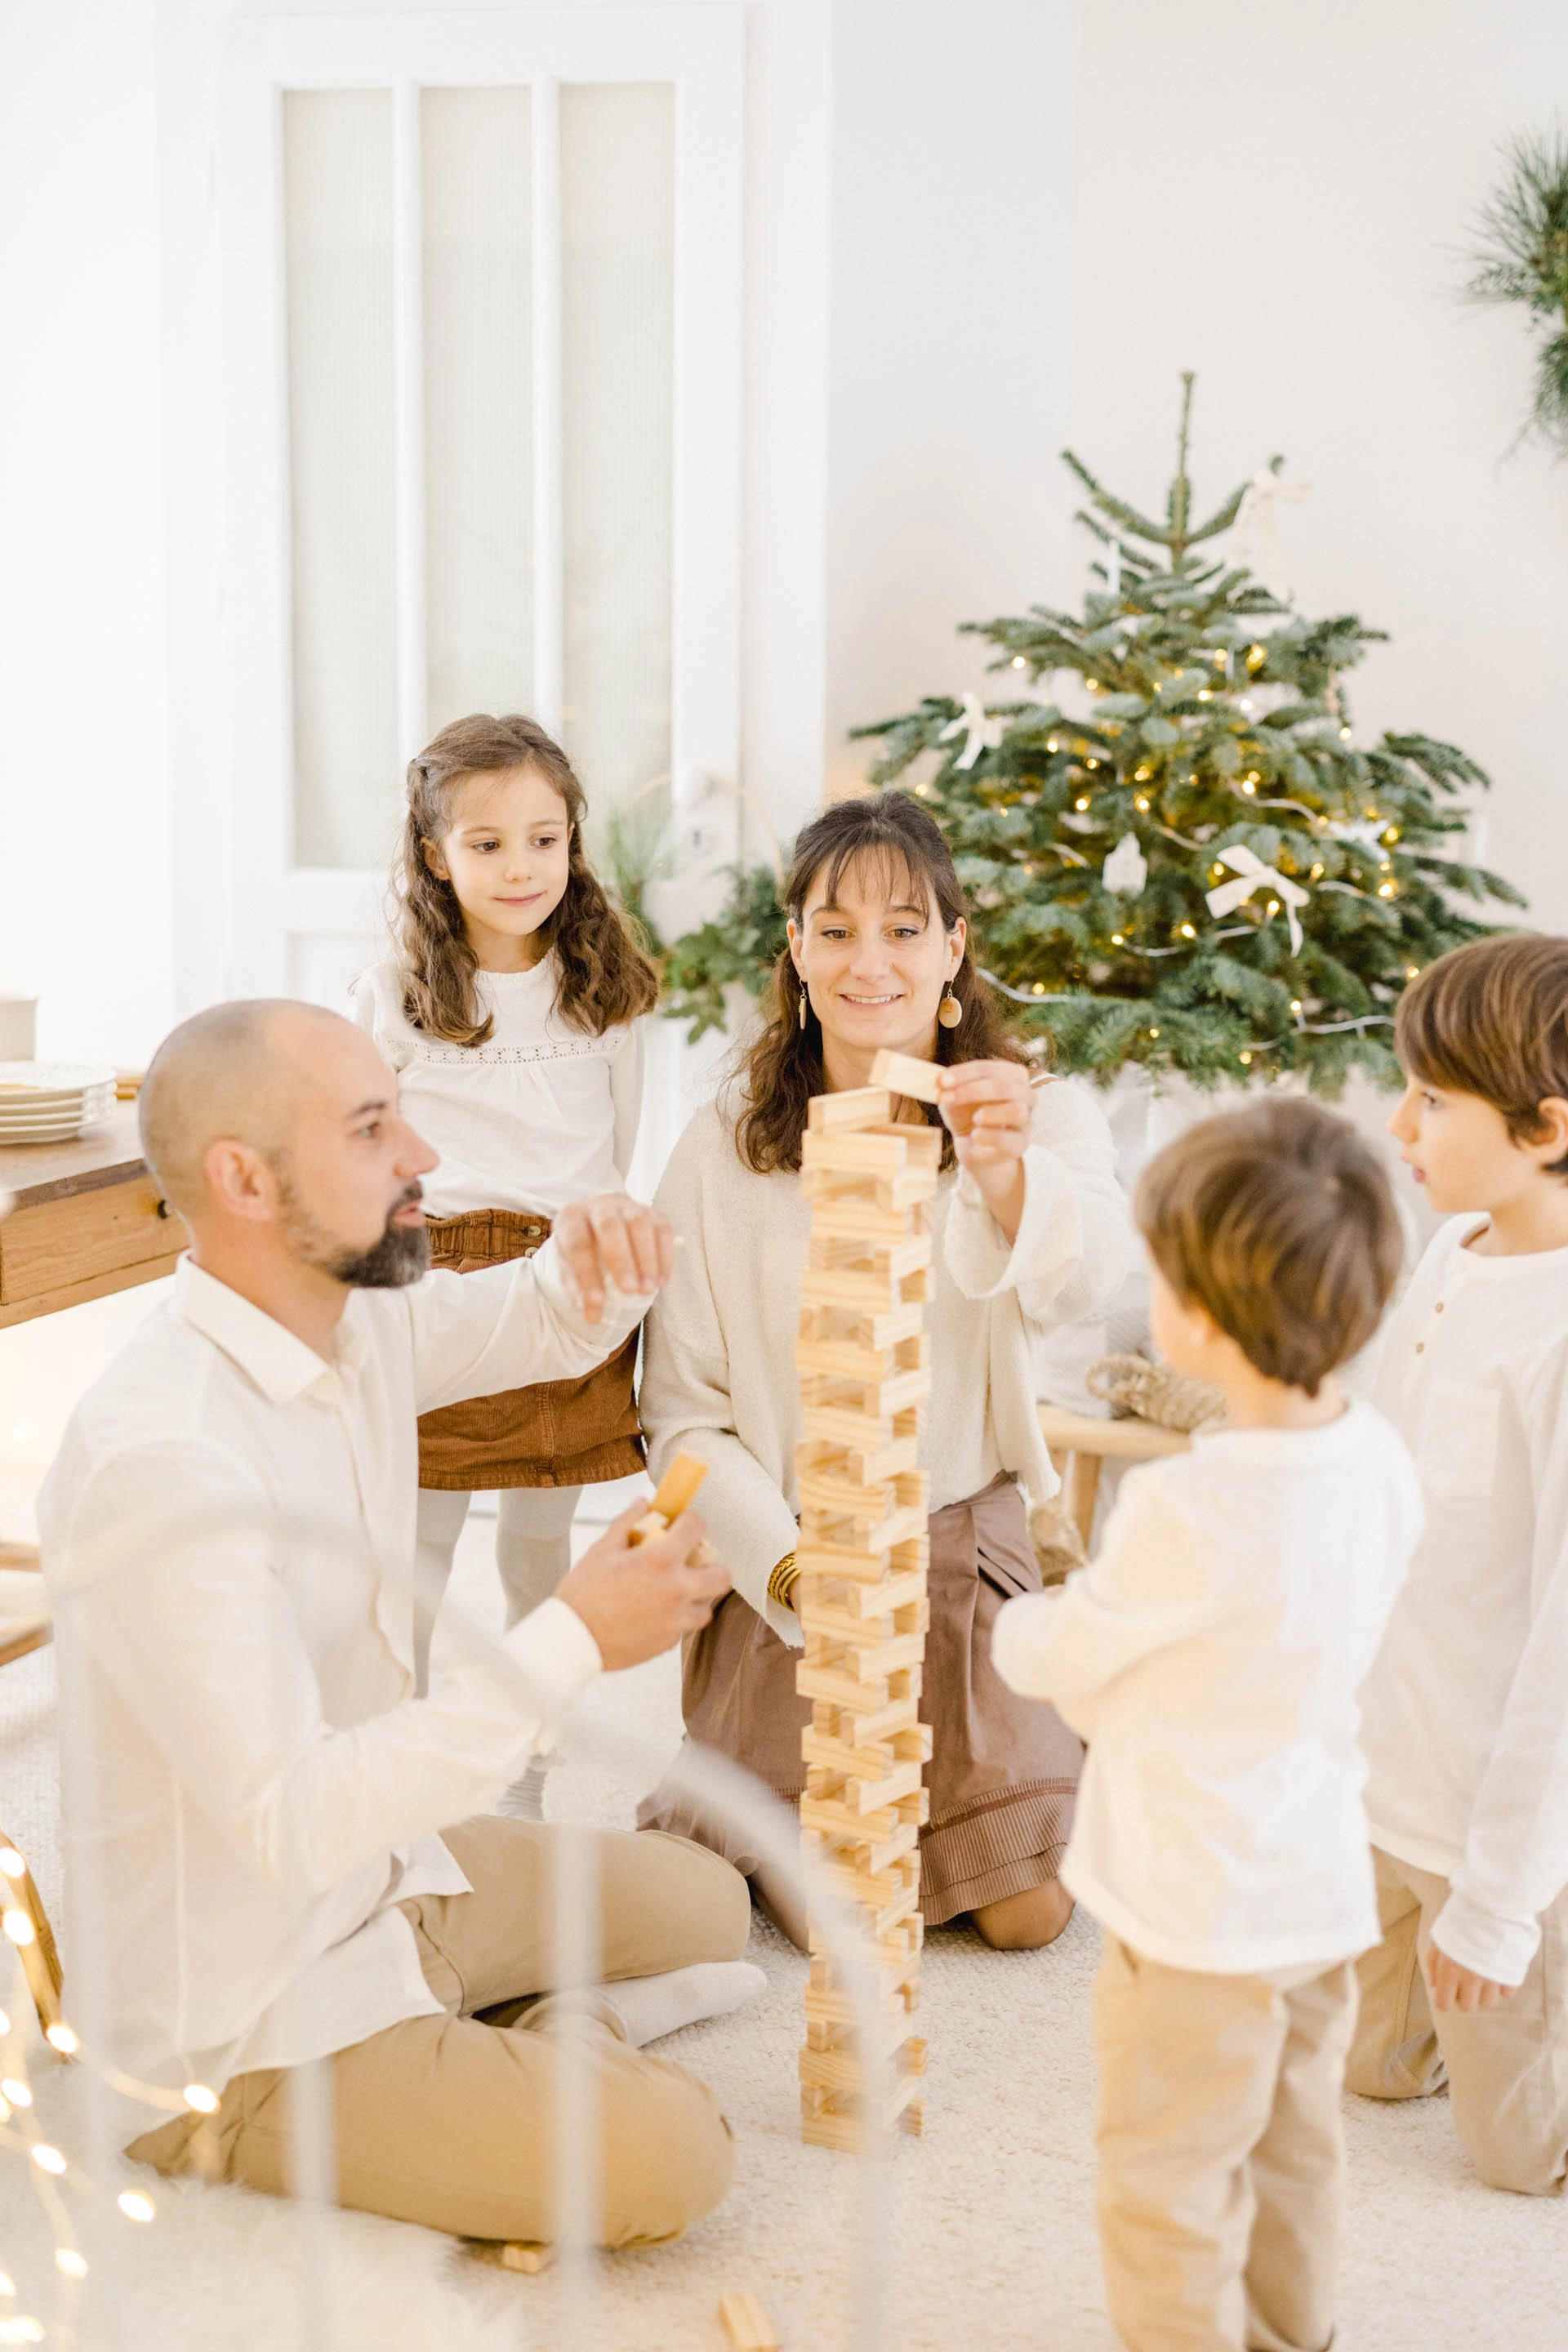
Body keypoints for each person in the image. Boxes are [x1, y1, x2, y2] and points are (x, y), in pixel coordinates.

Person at [38, 1000, 762, 2252]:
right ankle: (557, 2042)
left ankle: (531, 2032)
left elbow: (521, 1320)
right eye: (375, 1128)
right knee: (674, 2158)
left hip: (390, 1876)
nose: (424, 1152)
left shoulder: (346, 1312)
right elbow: (295, 1817)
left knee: (709, 1900)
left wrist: (594, 1273)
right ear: (244, 1179)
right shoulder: (165, 1458)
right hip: (247, 2013)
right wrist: (576, 1636)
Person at [637, 791, 1138, 1952]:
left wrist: (1003, 1171)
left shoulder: (1035, 1110)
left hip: (962, 1543)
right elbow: (682, 1421)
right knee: (837, 1920)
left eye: (906, 928)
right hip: (802, 1556)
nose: (873, 961)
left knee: (1024, 1911)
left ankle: (1022, 1760)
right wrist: (800, 1574)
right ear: (797, 952)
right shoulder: (722, 1145)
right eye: (838, 929)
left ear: (955, 946)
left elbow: (1089, 1282)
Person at [993, 1098, 1420, 2352]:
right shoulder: (1379, 1458)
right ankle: (1297, 2338)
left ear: (1200, 1318)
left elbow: (1062, 1658)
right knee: (1294, 2155)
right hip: (1320, 1892)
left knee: (1166, 2179)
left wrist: (1021, 1614)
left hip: (1196, 1914)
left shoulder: (1192, 1507)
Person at [351, 712, 660, 1817]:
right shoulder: (396, 991)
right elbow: (365, 1141)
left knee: (540, 1538)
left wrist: (599, 1266)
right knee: (420, 1539)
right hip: (440, 1280)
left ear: (573, 843)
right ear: (436, 853)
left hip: (569, 1275)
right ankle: (408, 1741)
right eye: (486, 844)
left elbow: (617, 1144)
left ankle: (524, 1753)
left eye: (544, 838)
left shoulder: (607, 990)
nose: (519, 866)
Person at [1349, 933, 1568, 2196]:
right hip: (1391, 1778)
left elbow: (1554, 1661)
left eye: (1433, 1098)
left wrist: (1495, 1902)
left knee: (1518, 2155)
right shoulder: (1456, 1249)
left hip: (1501, 1815)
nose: (1399, 1122)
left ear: (1544, 1129)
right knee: (1368, 2065)